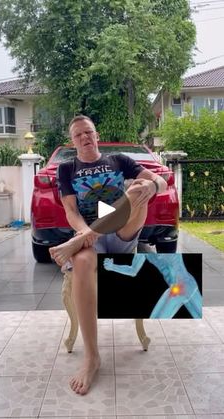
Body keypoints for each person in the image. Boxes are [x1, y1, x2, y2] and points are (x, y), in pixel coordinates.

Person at [49, 115, 167, 395]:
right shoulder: (67, 169)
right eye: (78, 135)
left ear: (97, 134)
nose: (84, 138)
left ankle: (79, 242)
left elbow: (160, 181)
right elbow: (71, 212)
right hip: (88, 236)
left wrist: (153, 186)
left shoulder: (119, 161)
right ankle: (91, 357)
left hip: (124, 230)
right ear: (73, 141)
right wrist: (84, 234)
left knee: (139, 188)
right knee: (82, 259)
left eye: (88, 132)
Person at [103, 253, 202, 318]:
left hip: (184, 285)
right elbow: (133, 270)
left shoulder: (168, 241)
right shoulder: (142, 249)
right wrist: (112, 267)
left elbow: (172, 266)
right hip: (182, 287)